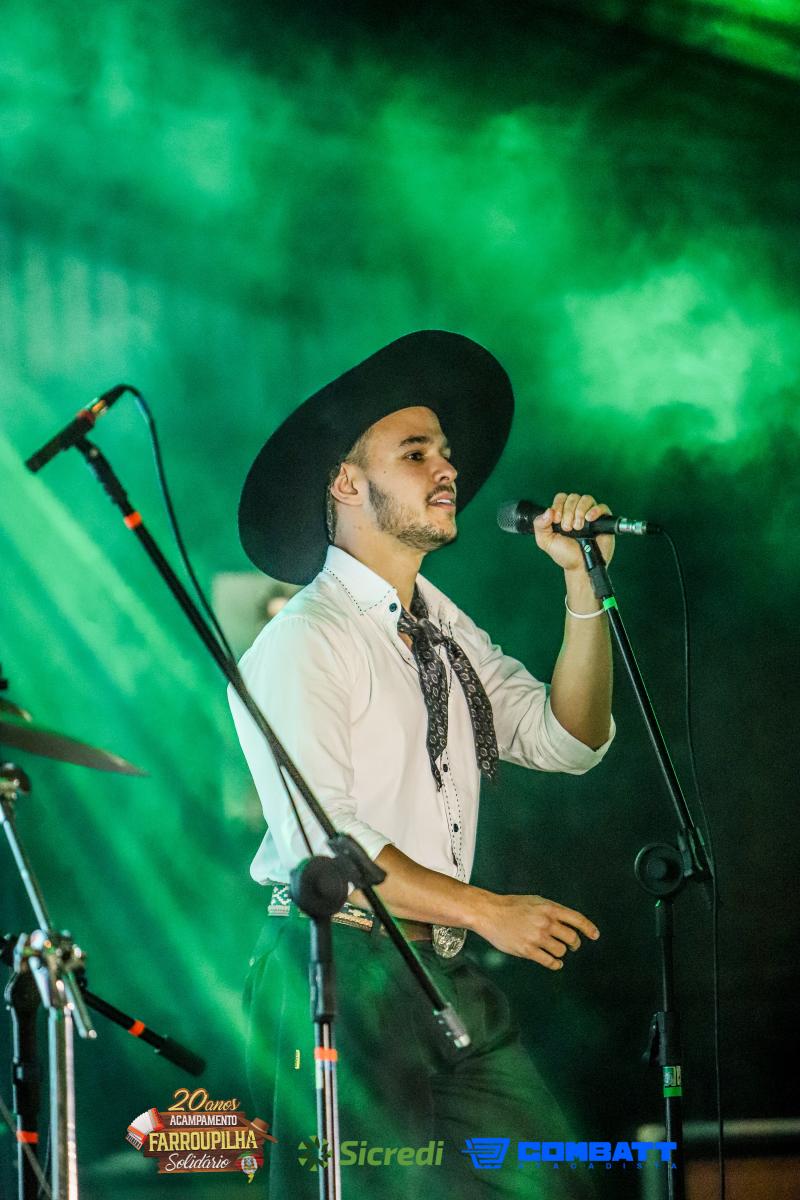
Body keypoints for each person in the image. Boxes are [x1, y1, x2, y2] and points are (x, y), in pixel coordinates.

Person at [229, 330, 615, 1198]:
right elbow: (328, 848)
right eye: (416, 452)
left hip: (441, 969)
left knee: (554, 1181)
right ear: (345, 483)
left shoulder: (445, 629)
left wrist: (582, 583)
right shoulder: (306, 639)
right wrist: (488, 910)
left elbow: (568, 739)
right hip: (339, 965)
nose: (448, 468)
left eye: (445, 451)